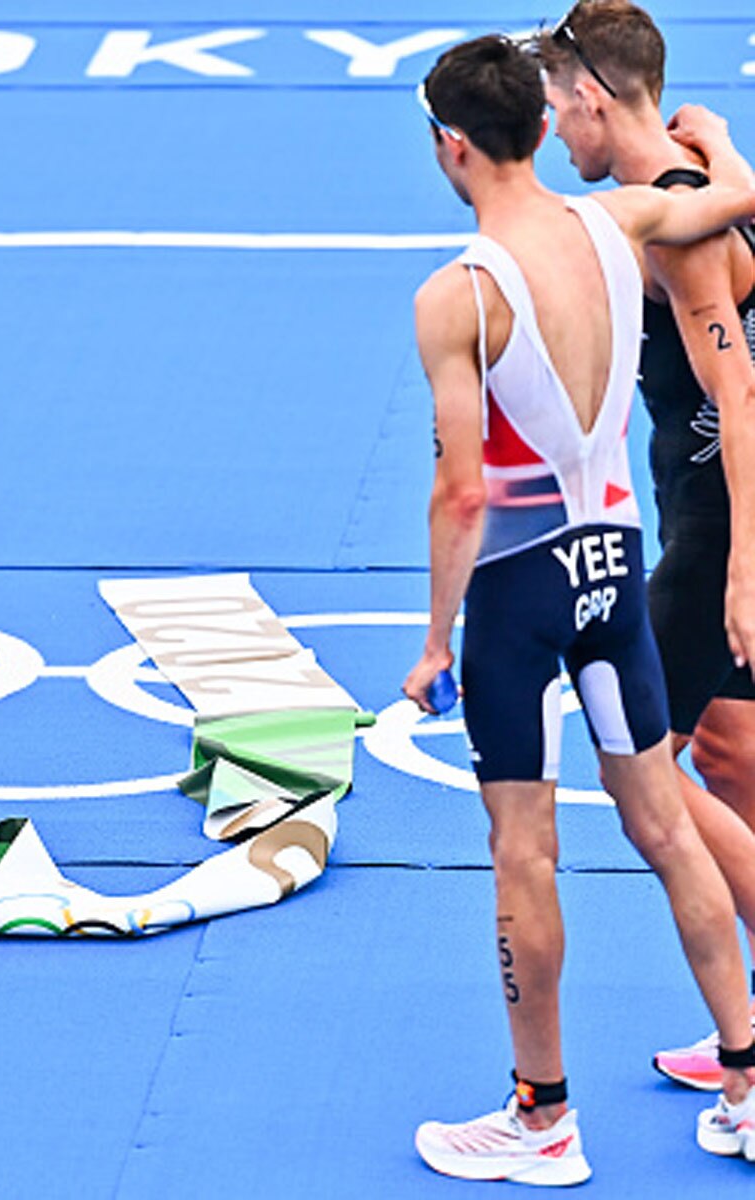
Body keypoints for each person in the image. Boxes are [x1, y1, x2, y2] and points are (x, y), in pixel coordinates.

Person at [402, 35, 755, 1183]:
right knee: (665, 827)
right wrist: (719, 146)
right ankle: (749, 1080)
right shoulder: (624, 223)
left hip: (520, 587)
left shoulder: (457, 296)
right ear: (546, 127)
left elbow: (463, 494)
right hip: (616, 562)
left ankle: (542, 1118)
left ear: (452, 147)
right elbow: (731, 199)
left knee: (524, 852)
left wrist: (436, 640)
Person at [535, 0, 755, 1095]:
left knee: (644, 775)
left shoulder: (683, 226)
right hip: (707, 515)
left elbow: (739, 391)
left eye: (554, 105)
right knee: (733, 757)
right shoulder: (700, 172)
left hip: (721, 532)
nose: (551, 130)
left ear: (591, 95)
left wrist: (743, 569)